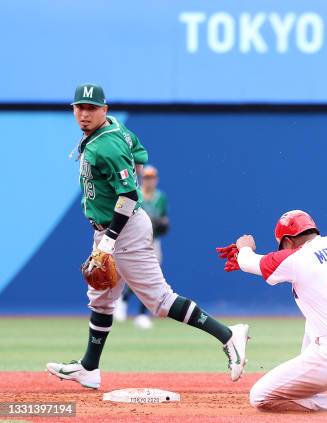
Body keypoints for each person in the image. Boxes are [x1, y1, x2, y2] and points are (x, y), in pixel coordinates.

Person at [46, 83, 249, 389]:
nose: (84, 114)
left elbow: (128, 194)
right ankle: (89, 367)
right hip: (109, 228)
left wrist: (111, 238)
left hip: (122, 229)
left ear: (105, 110)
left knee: (159, 300)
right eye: (79, 107)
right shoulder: (115, 128)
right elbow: (140, 153)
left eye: (91, 108)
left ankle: (229, 335)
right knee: (101, 298)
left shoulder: (107, 145)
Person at [226, 210, 327, 412]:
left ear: (289, 241)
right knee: (315, 310)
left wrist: (244, 247)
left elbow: (247, 261)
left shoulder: (296, 258)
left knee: (260, 397)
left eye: (282, 245)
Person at [114, 165, 169, 329]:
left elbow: (164, 219)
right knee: (134, 275)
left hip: (153, 241)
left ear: (156, 179)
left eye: (152, 177)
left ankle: (142, 314)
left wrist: (162, 224)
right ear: (141, 178)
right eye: (146, 177)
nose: (149, 180)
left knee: (152, 277)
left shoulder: (161, 197)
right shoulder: (135, 194)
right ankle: (122, 300)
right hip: (135, 240)